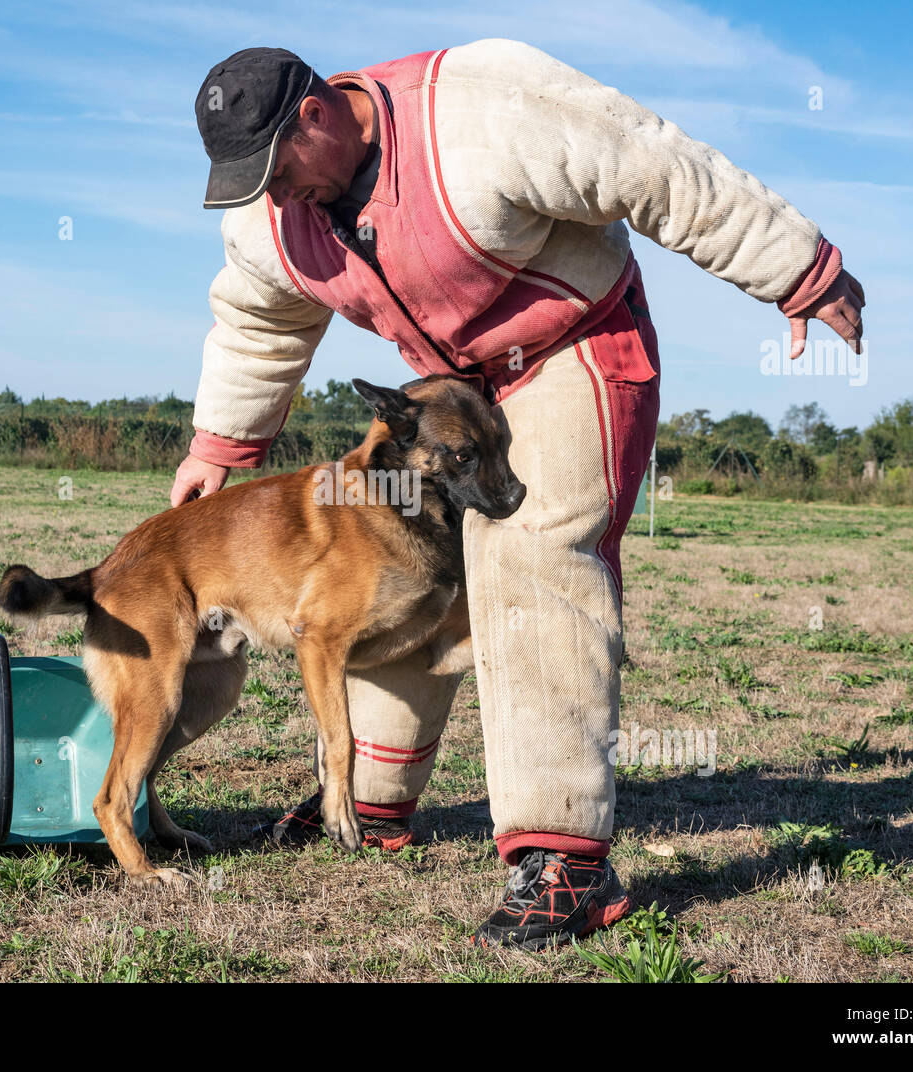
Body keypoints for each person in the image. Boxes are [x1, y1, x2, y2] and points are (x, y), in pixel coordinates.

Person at [173, 40, 865, 948]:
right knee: (388, 568)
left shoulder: (482, 109)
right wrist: (220, 445)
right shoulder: (275, 218)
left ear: (317, 114)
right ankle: (373, 802)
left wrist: (797, 269)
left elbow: (653, 163)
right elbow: (260, 317)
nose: (271, 195)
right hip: (451, 390)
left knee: (530, 552)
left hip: (571, 347)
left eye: (274, 169)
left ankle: (565, 859)